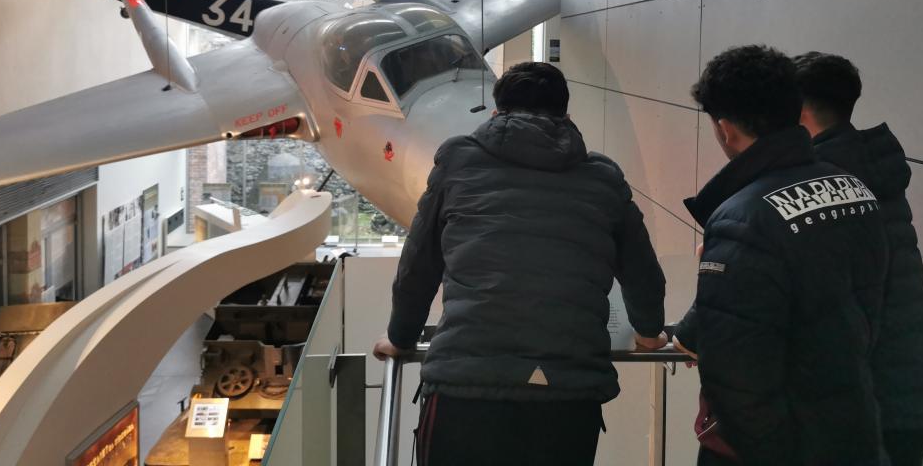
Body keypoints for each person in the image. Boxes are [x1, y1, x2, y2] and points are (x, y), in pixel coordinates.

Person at [372, 61, 667, 466]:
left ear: (497, 112)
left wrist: (401, 337)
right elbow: (642, 273)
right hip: (567, 396)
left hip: (466, 389)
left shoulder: (457, 162)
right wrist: (649, 333)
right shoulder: (603, 178)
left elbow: (418, 266)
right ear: (566, 115)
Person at [672, 45, 888, 466]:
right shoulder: (853, 189)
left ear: (725, 129)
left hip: (777, 448)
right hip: (851, 427)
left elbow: (735, 380)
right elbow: (868, 319)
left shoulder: (740, 219)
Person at [795, 52, 923, 466]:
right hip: (917, 386)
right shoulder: (871, 162)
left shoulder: (823, 185)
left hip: (875, 399)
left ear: (799, 111)